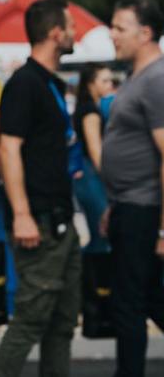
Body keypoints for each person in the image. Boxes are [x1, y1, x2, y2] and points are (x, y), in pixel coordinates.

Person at [0, 0, 80, 377]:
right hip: (37, 222)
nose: (75, 33)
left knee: (62, 322)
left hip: (61, 220)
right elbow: (8, 148)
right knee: (30, 319)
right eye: (71, 27)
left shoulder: (49, 83)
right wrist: (22, 215)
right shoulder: (24, 83)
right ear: (56, 34)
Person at [101, 0, 164, 377]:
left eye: (119, 28)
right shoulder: (136, 77)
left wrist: (163, 229)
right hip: (128, 205)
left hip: (145, 208)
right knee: (151, 297)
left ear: (145, 33)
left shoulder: (156, 80)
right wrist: (114, 205)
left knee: (129, 304)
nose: (112, 34)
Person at [71, 63, 114, 253]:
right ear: (91, 83)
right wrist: (109, 180)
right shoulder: (90, 111)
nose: (110, 85)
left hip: (87, 173)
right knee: (102, 232)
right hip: (91, 175)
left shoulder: (88, 108)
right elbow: (95, 150)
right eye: (104, 81)